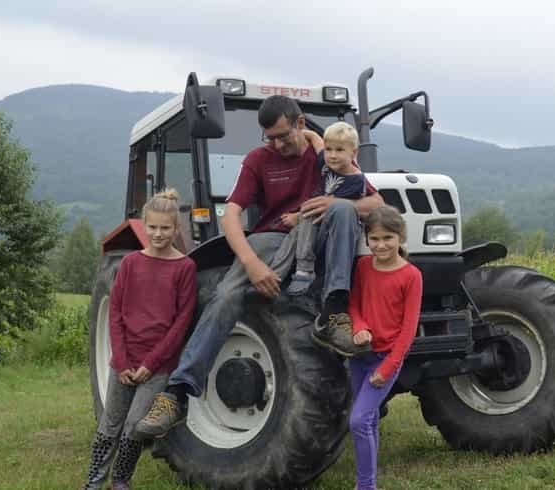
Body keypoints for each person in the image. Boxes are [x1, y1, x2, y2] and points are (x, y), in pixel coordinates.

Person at [134, 95, 383, 439]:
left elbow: (376, 203)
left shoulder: (327, 155)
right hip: (274, 238)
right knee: (226, 293)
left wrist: (336, 201)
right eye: (270, 138)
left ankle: (333, 315)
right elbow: (233, 213)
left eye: (283, 135)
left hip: (324, 240)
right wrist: (251, 263)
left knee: (343, 210)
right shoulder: (259, 160)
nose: (277, 144)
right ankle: (176, 393)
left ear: (300, 124)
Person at [82, 189, 197, 490]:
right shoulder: (131, 263)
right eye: (153, 227)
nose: (158, 234)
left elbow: (181, 322)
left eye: (165, 228)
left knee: (134, 426)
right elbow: (116, 313)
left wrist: (150, 363)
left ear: (176, 229)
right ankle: (93, 482)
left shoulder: (185, 268)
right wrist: (121, 361)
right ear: (144, 225)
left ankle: (121, 480)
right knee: (110, 424)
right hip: (125, 361)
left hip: (157, 366)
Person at [347, 205, 423, 490]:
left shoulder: (411, 276)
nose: (381, 245)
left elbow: (408, 329)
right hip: (360, 356)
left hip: (386, 359)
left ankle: (365, 486)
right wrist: (358, 327)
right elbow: (354, 304)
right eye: (375, 239)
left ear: (400, 237)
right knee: (368, 420)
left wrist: (388, 367)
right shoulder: (363, 267)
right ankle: (370, 483)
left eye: (388, 238)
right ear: (367, 239)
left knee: (357, 421)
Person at [268, 122, 365, 297]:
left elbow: (326, 208)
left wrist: (298, 216)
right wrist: (298, 134)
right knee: (294, 236)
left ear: (354, 153)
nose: (332, 155)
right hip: (313, 224)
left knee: (307, 214)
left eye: (340, 150)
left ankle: (305, 269)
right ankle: (275, 275)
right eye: (329, 149)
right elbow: (317, 141)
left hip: (335, 231)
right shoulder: (327, 164)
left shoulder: (355, 180)